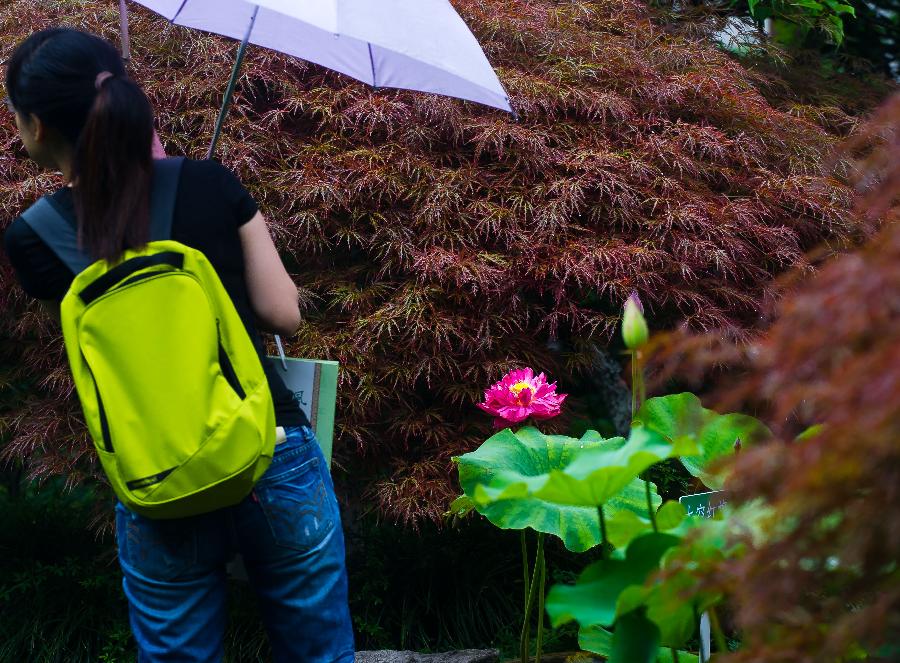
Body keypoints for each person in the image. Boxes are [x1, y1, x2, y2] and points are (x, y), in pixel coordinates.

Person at [3, 28, 354, 663]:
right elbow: (285, 315)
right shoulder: (210, 183)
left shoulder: (32, 237)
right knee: (318, 653)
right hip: (269, 448)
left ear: (33, 124)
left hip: (157, 474)